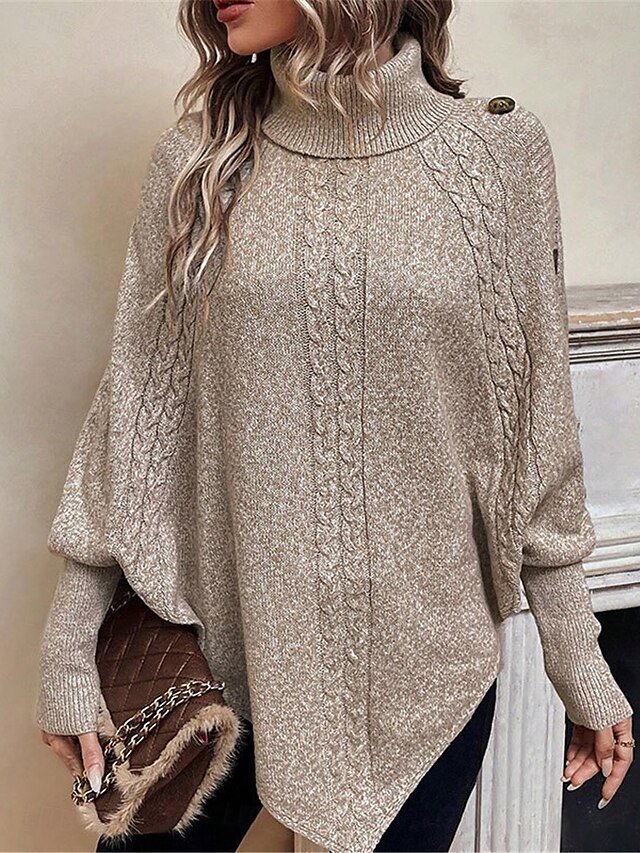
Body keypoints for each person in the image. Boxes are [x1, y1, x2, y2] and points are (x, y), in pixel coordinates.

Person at [35, 2, 635, 851]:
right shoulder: (200, 160)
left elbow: (533, 430)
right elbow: (136, 414)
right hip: (227, 653)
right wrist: (69, 648)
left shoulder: (498, 155)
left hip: (426, 676)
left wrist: (578, 658)